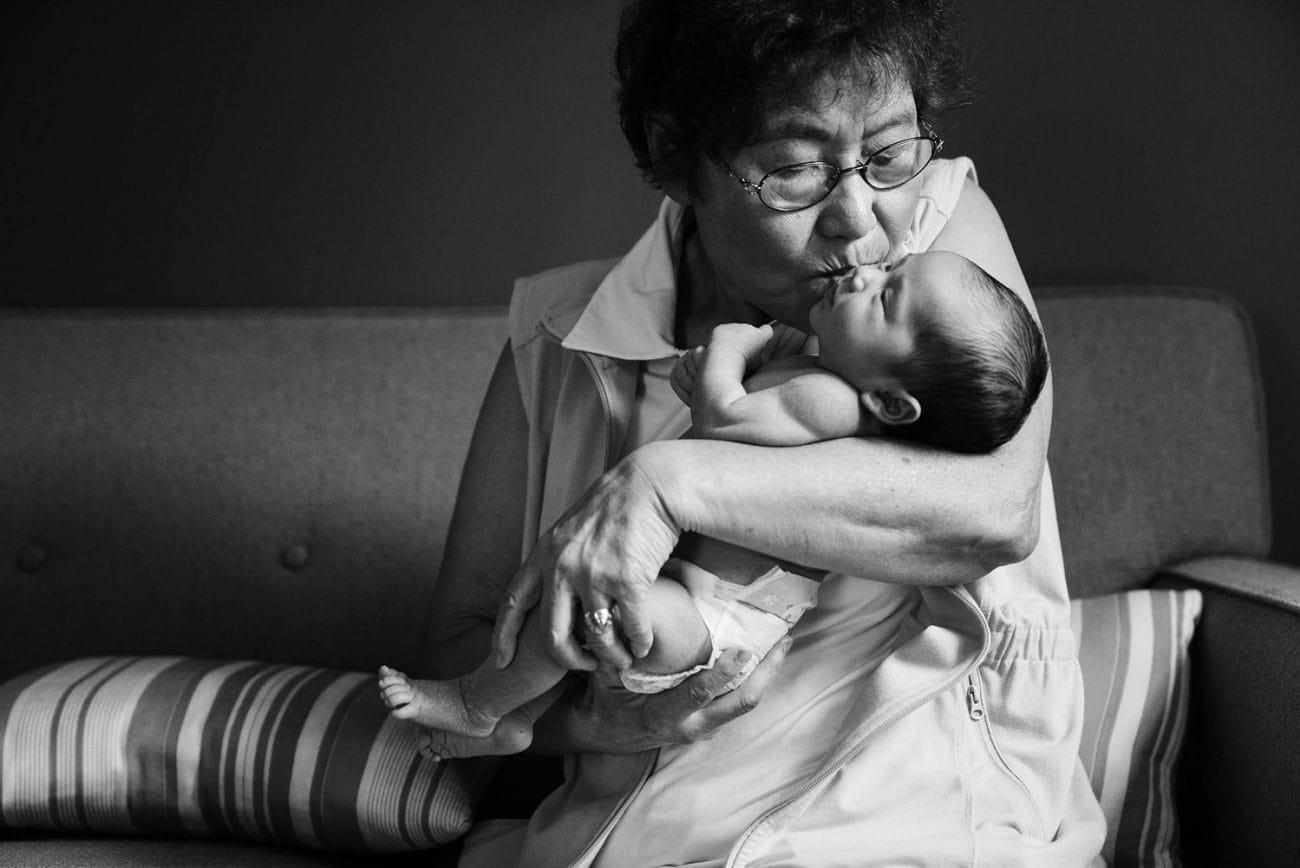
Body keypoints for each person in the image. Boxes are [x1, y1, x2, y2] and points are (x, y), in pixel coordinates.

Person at [419, 0, 1107, 864]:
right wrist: (599, 719)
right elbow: (457, 650)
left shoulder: (941, 250)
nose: (861, 219)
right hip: (640, 841)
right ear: (676, 156)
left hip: (925, 827)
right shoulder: (560, 333)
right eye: (794, 171)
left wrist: (664, 484)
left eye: (889, 153)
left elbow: (994, 511)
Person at [380, 251, 1049, 750]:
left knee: (597, 604)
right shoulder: (824, 375)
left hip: (719, 617)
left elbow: (724, 423)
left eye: (882, 300)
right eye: (891, 269)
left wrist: (731, 347)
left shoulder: (831, 400)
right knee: (586, 613)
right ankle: (516, 715)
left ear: (892, 404)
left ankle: (479, 705)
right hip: (715, 602)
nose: (862, 273)